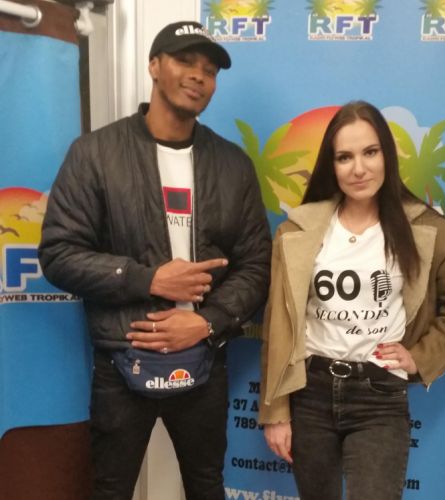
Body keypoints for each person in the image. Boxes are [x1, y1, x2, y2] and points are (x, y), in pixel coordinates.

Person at [39, 20, 271, 500]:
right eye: (185, 61)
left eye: (210, 70)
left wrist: (206, 322)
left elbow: (256, 265)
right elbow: (59, 254)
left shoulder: (233, 165)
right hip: (121, 358)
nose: (199, 76)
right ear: (154, 66)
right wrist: (147, 280)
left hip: (204, 359)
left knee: (206, 487)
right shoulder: (95, 154)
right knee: (110, 490)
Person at [258, 101, 445, 500]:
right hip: (310, 393)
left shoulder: (426, 228)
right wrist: (275, 412)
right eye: (344, 157)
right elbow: (278, 326)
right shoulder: (298, 230)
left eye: (370, 152)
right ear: (331, 165)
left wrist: (421, 357)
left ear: (387, 156)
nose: (359, 168)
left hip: (380, 396)